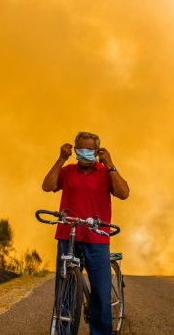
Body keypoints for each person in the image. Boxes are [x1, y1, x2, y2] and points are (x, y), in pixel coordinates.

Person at [42, 131, 129, 335]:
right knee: (65, 289)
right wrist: (61, 159)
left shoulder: (105, 172)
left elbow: (124, 193)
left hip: (97, 236)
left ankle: (100, 332)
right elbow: (47, 186)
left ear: (97, 151)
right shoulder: (68, 171)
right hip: (67, 235)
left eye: (89, 150)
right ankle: (64, 330)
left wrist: (110, 164)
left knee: (100, 290)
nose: (84, 153)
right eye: (80, 149)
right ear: (75, 150)